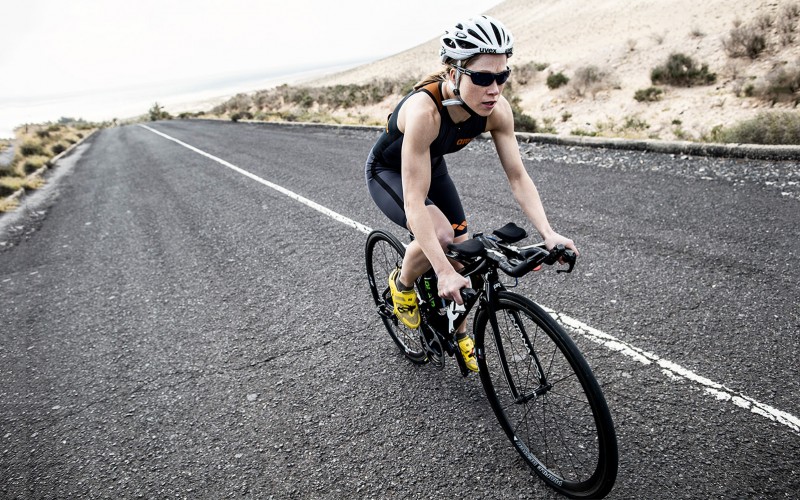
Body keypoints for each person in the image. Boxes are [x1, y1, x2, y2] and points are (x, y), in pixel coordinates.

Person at [365, 15, 578, 372]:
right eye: (482, 78)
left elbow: (518, 177)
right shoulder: (424, 112)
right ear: (453, 74)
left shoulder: (497, 111)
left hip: (432, 166)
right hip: (388, 170)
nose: (494, 88)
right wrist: (441, 270)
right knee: (442, 235)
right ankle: (402, 283)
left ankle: (458, 333)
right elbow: (415, 201)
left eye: (502, 75)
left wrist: (548, 232)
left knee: (463, 257)